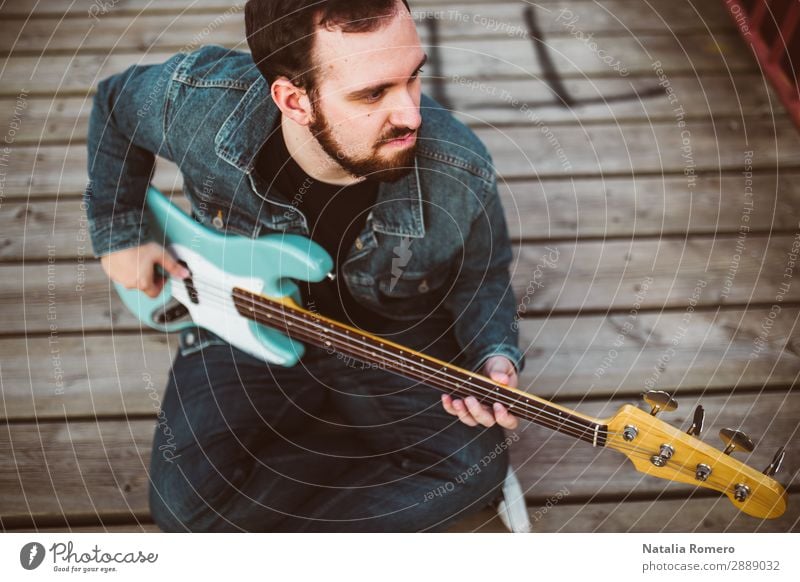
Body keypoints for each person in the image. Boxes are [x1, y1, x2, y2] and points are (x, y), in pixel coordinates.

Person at [84, 0, 527, 532]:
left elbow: (483, 277)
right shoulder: (201, 103)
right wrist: (118, 234)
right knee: (182, 508)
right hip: (240, 319)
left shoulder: (458, 168)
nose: (411, 113)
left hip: (384, 332)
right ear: (295, 100)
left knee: (473, 471)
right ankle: (362, 463)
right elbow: (116, 104)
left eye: (412, 77)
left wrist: (492, 356)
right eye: (372, 93)